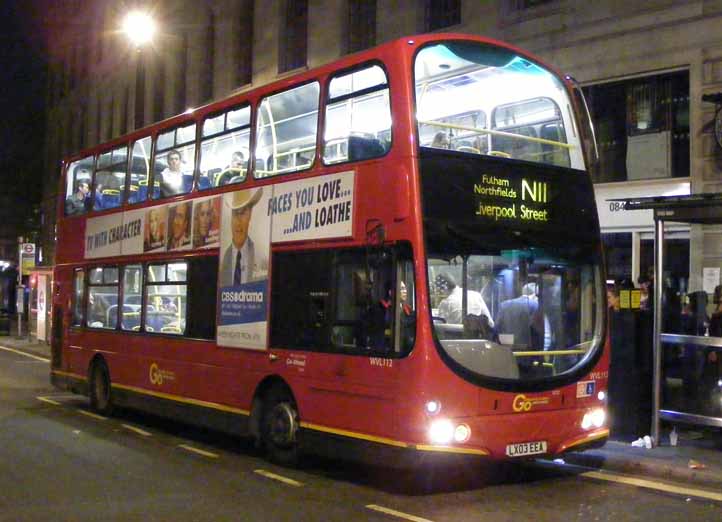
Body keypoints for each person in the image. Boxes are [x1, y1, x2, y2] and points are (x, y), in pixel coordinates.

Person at [220, 188, 266, 286]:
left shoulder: (261, 257)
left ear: (250, 215)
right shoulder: (223, 260)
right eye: (235, 214)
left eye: (243, 213)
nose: (238, 221)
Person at [494, 282, 538, 347]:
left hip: (506, 345)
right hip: (527, 347)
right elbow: (536, 328)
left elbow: (497, 326)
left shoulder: (504, 304)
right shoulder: (535, 305)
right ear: (534, 295)